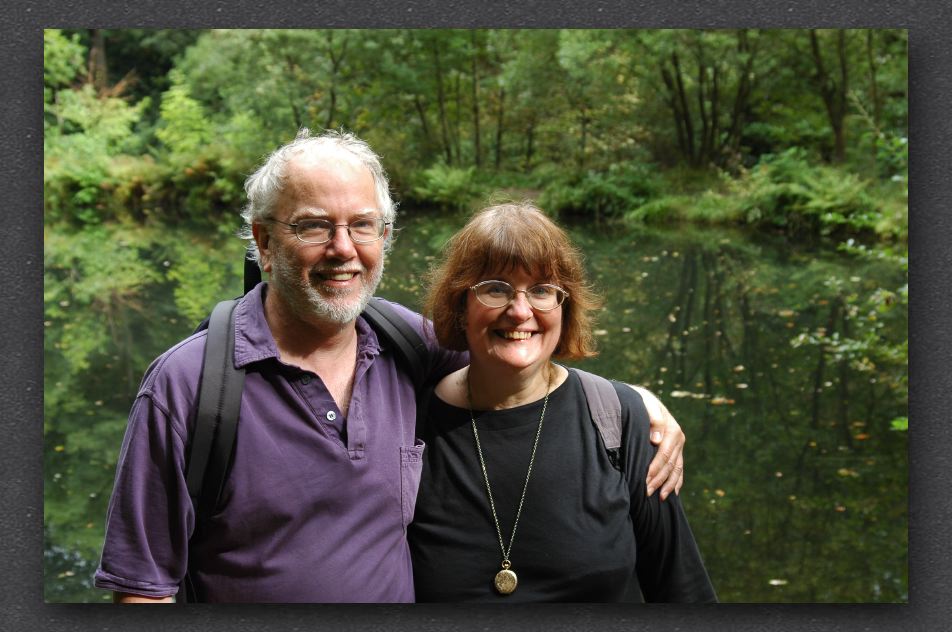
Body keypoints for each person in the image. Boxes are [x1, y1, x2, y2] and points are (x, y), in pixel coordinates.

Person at [93, 129, 687, 603]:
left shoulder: (407, 346)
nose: (343, 248)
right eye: (313, 225)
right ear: (264, 242)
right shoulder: (189, 387)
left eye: (362, 225)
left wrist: (632, 404)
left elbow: (515, 351)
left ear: (385, 234)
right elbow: (144, 590)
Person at [409, 203, 716, 602]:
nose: (520, 311)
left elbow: (683, 591)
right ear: (460, 307)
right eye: (495, 288)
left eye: (541, 291)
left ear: (565, 307)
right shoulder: (409, 424)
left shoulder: (620, 422)